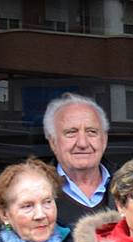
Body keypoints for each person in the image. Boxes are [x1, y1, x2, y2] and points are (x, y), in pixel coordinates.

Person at [44, 93, 114, 229]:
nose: (82, 143)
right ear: (53, 142)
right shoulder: (34, 191)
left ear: (104, 140)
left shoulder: (130, 184)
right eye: (71, 132)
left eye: (91, 132)